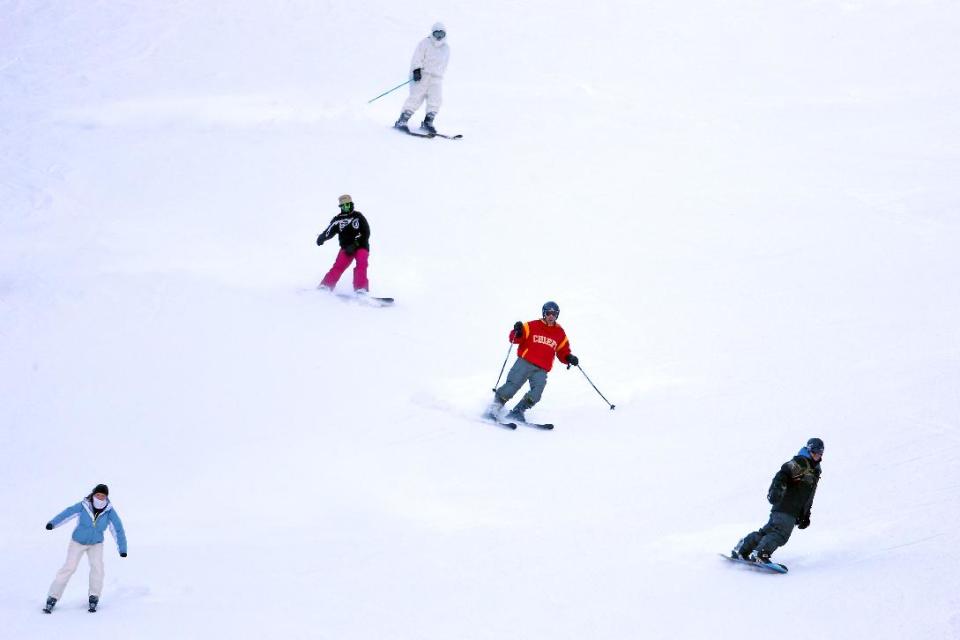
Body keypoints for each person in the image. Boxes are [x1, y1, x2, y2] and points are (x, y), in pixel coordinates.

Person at [731, 438, 824, 563]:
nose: (817, 455)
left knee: (767, 532)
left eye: (820, 453)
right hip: (787, 506)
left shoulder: (814, 471)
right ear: (808, 450)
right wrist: (776, 489)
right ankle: (761, 553)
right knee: (781, 534)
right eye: (814, 452)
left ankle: (743, 549)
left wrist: (805, 514)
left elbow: (809, 496)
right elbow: (783, 473)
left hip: (786, 509)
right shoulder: (801, 462)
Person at [485, 301, 579, 422]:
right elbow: (514, 338)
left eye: (554, 314)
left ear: (557, 315)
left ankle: (518, 411)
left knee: (537, 393)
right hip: (525, 362)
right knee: (512, 386)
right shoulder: (531, 325)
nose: (551, 316)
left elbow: (563, 351)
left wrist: (569, 358)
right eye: (549, 313)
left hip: (542, 369)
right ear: (544, 313)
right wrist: (517, 331)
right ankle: (494, 407)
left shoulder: (560, 333)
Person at [43, 483, 128, 613]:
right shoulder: (84, 505)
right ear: (94, 494)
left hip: (96, 544)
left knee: (97, 568)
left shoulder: (109, 511)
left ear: (106, 497)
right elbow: (68, 513)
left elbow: (118, 529)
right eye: (98, 494)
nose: (100, 497)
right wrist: (53, 523)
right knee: (69, 567)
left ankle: (94, 596)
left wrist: (122, 549)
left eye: (103, 495)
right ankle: (52, 597)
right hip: (77, 542)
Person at [393, 22, 451, 134]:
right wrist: (416, 70)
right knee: (416, 97)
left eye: (441, 34)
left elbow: (445, 63)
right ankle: (402, 120)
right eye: (436, 33)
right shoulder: (425, 43)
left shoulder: (446, 48)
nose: (439, 36)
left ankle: (428, 122)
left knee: (435, 99)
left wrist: (439, 75)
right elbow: (417, 57)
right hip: (422, 75)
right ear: (432, 33)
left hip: (436, 78)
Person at [316, 194, 371, 293]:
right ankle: (326, 286)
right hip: (346, 248)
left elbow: (366, 232)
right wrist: (322, 237)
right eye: (344, 206)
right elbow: (329, 230)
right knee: (338, 266)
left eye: (348, 205)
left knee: (361, 264)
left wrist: (355, 244)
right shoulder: (338, 219)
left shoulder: (358, 216)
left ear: (351, 205)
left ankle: (360, 289)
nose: (346, 208)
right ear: (341, 207)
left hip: (361, 246)